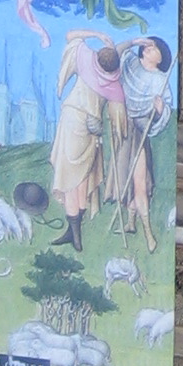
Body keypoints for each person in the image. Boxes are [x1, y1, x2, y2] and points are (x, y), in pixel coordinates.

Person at [49, 32, 126, 252]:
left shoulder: (85, 59)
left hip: (72, 121)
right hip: (92, 129)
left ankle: (74, 233)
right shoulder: (114, 87)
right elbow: (118, 121)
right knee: (82, 178)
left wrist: (98, 34)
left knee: (70, 178)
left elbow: (70, 35)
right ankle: (74, 231)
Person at [113, 36, 173, 256]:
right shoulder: (130, 62)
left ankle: (148, 234)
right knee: (128, 178)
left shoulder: (161, 80)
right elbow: (114, 54)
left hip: (140, 132)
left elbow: (164, 113)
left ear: (161, 58)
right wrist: (133, 41)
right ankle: (131, 223)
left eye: (154, 47)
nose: (149, 48)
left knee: (140, 181)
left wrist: (159, 110)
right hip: (123, 128)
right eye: (148, 45)